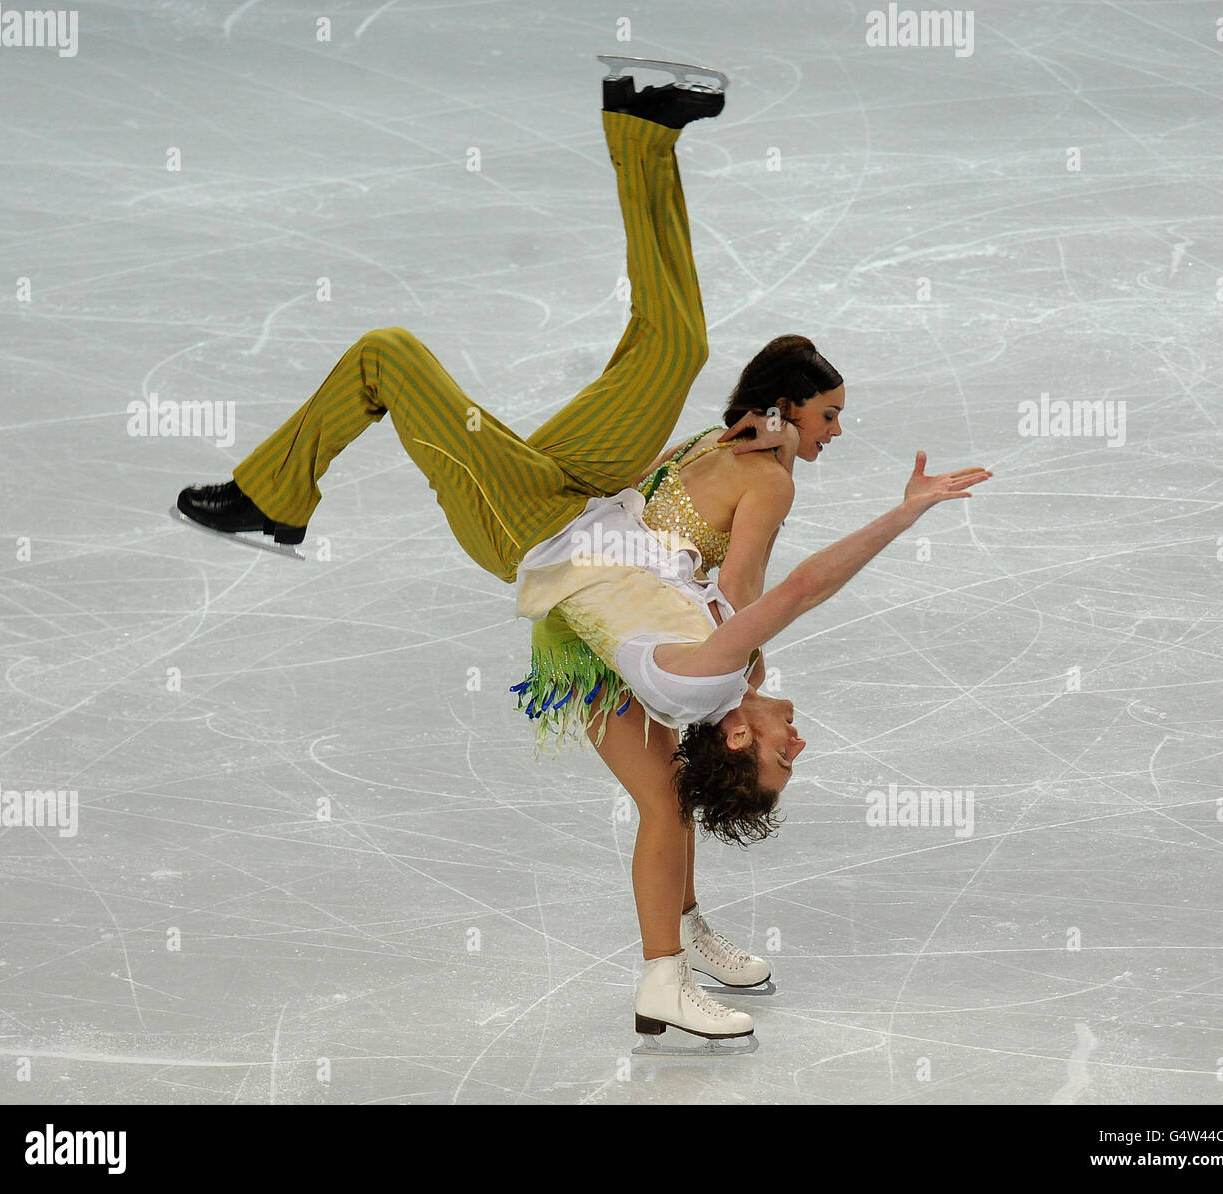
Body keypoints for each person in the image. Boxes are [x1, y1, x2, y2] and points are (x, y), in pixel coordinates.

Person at [176, 60, 992, 1042]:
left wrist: (902, 510)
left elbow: (797, 585)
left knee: (388, 356)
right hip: (596, 488)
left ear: (736, 736)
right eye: (825, 415)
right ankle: (643, 128)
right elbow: (738, 573)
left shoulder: (717, 665)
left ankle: (274, 495)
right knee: (672, 347)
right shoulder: (733, 654)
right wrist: (719, 446)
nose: (800, 741)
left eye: (783, 754)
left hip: (529, 520)